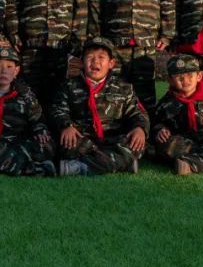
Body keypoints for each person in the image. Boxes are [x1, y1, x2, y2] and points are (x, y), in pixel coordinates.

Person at [49, 37, 149, 176]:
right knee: (66, 143)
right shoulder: (69, 86)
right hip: (83, 140)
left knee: (135, 144)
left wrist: (140, 128)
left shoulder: (124, 88)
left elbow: (138, 112)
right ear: (82, 62)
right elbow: (57, 109)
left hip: (114, 139)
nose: (95, 61)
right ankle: (121, 163)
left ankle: (79, 167)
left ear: (111, 63)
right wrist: (66, 126)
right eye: (90, 57)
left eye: (101, 57)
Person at [0, 47, 55, 177]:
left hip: (19, 142)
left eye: (9, 66)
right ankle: (35, 169)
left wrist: (40, 131)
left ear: (16, 71)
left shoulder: (25, 94)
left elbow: (37, 119)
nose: (4, 71)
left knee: (46, 145)